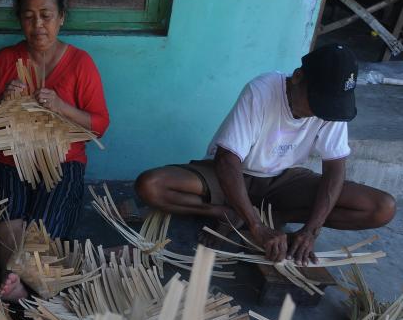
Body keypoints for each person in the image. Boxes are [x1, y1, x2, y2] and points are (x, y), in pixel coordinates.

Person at [135, 43, 395, 265]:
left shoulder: (331, 109)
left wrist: (311, 231)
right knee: (152, 185)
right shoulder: (262, 90)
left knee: (381, 208)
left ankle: (276, 216)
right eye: (317, 102)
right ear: (297, 77)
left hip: (282, 181)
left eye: (328, 106)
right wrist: (256, 227)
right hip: (233, 176)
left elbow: (335, 169)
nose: (320, 112)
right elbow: (227, 161)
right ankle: (226, 213)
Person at [0, 0, 110, 301]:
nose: (38, 25)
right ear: (19, 19)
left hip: (62, 158)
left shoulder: (80, 64)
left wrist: (61, 107)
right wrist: (2, 100)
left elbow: (99, 124)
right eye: (28, 17)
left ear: (61, 18)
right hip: (10, 155)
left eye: (46, 16)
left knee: (48, 218)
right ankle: (18, 282)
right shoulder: (6, 59)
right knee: (10, 209)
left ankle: (18, 281)